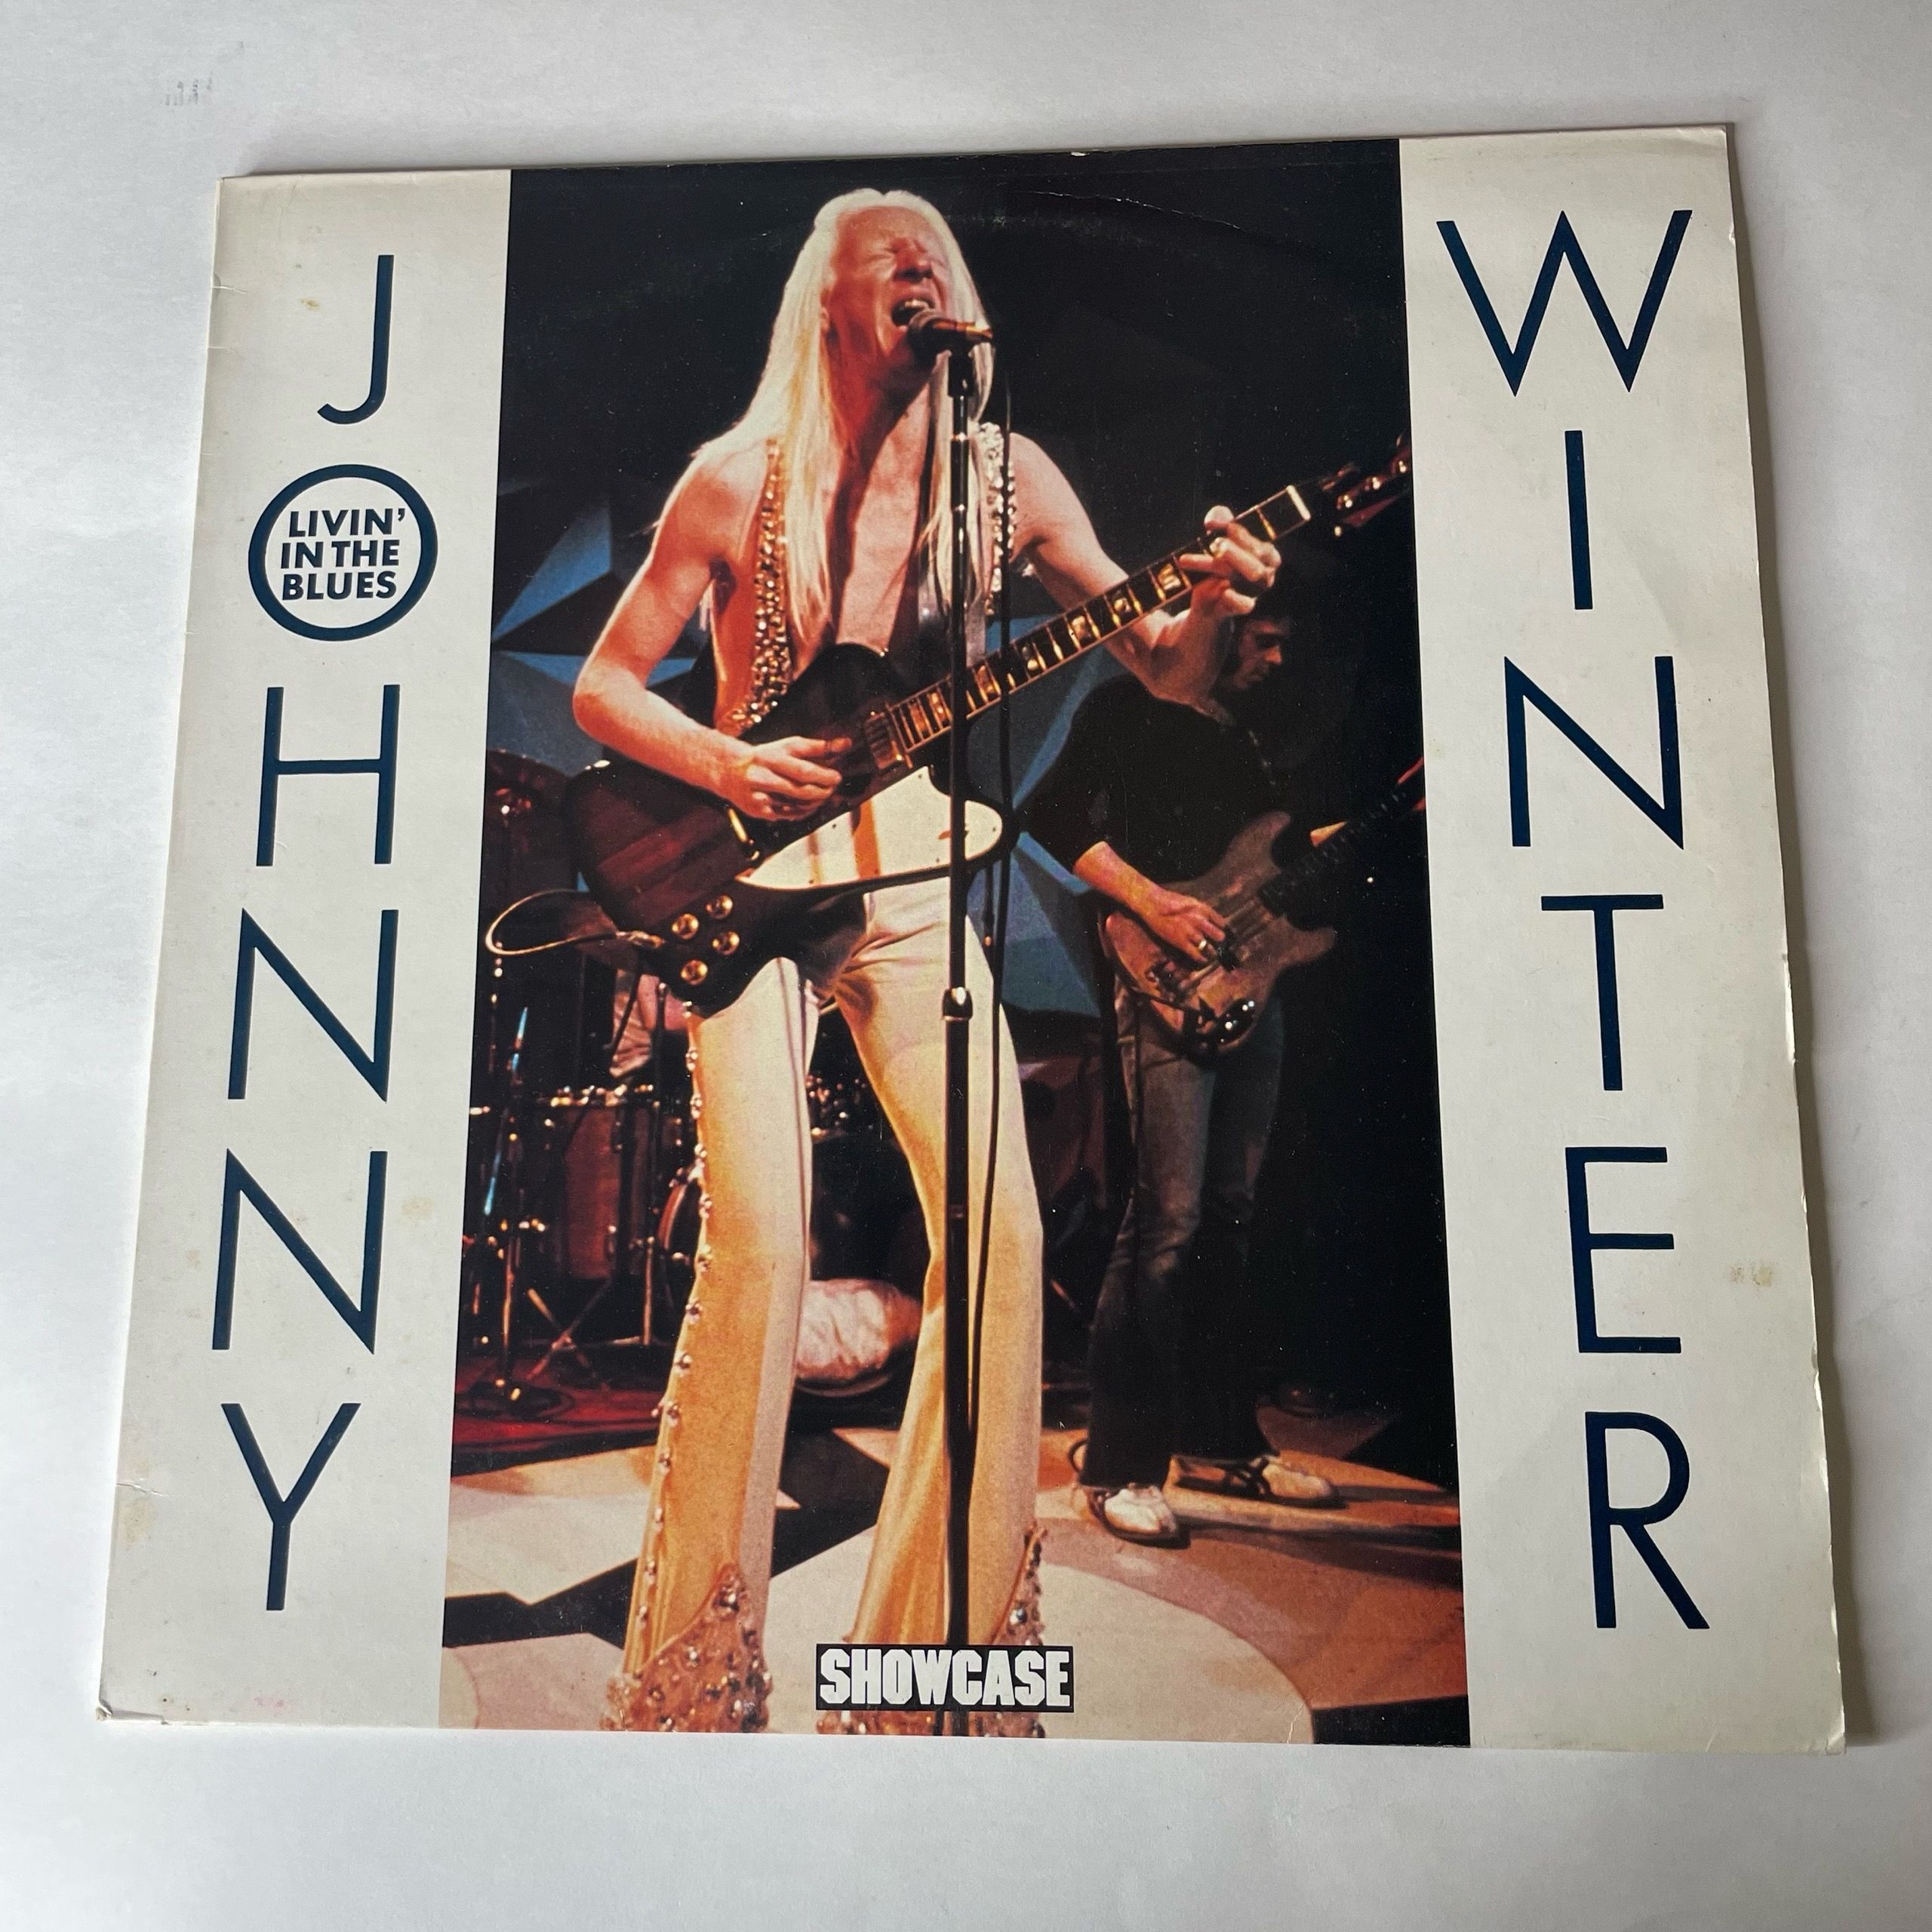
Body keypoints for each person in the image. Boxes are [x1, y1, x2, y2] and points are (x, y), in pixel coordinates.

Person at [571, 187, 1277, 1729]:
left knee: (1003, 1241)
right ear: (824, 299)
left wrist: (1215, 598)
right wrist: (722, 760)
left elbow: (1159, 662)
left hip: (908, 883)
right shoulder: (734, 477)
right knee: (760, 1251)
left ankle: (929, 1659)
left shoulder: (1007, 479)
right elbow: (603, 689)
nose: (920, 264)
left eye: (936, 250)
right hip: (746, 891)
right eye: (885, 252)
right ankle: (692, 1670)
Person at [1025, 579, 1335, 1548]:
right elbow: (1048, 813)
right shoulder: (1130, 705)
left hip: (1251, 986)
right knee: (1166, 1220)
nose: (1275, 661)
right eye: (1265, 640)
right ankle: (1119, 1463)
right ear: (1226, 625)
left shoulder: (1249, 736)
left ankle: (1217, 1440)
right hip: (1160, 980)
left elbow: (1261, 862)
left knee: (1229, 1218)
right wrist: (1153, 902)